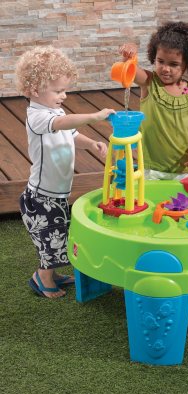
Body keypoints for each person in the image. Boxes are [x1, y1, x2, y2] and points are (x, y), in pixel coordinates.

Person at [15, 45, 115, 298]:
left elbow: (70, 132)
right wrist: (94, 116)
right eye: (58, 91)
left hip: (56, 193)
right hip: (39, 198)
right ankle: (42, 279)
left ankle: (52, 273)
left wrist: (91, 143)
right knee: (50, 241)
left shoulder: (55, 110)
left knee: (59, 237)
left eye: (65, 90)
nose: (64, 96)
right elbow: (61, 124)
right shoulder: (36, 116)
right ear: (33, 90)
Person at [119, 21, 188, 180]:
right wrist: (128, 57)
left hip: (184, 168)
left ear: (187, 64)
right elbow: (129, 71)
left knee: (182, 204)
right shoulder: (150, 82)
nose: (165, 69)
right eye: (160, 61)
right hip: (152, 168)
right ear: (154, 57)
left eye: (174, 64)